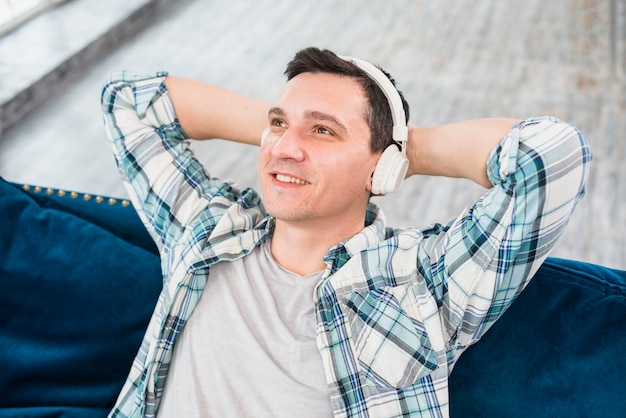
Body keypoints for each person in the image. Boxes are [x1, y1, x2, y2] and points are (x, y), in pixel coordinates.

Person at [101, 47, 591, 418]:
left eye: (323, 131)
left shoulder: (422, 283)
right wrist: (288, 131)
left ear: (382, 166)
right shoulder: (206, 229)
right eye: (277, 123)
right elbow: (130, 101)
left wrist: (409, 150)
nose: (284, 148)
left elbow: (549, 157)